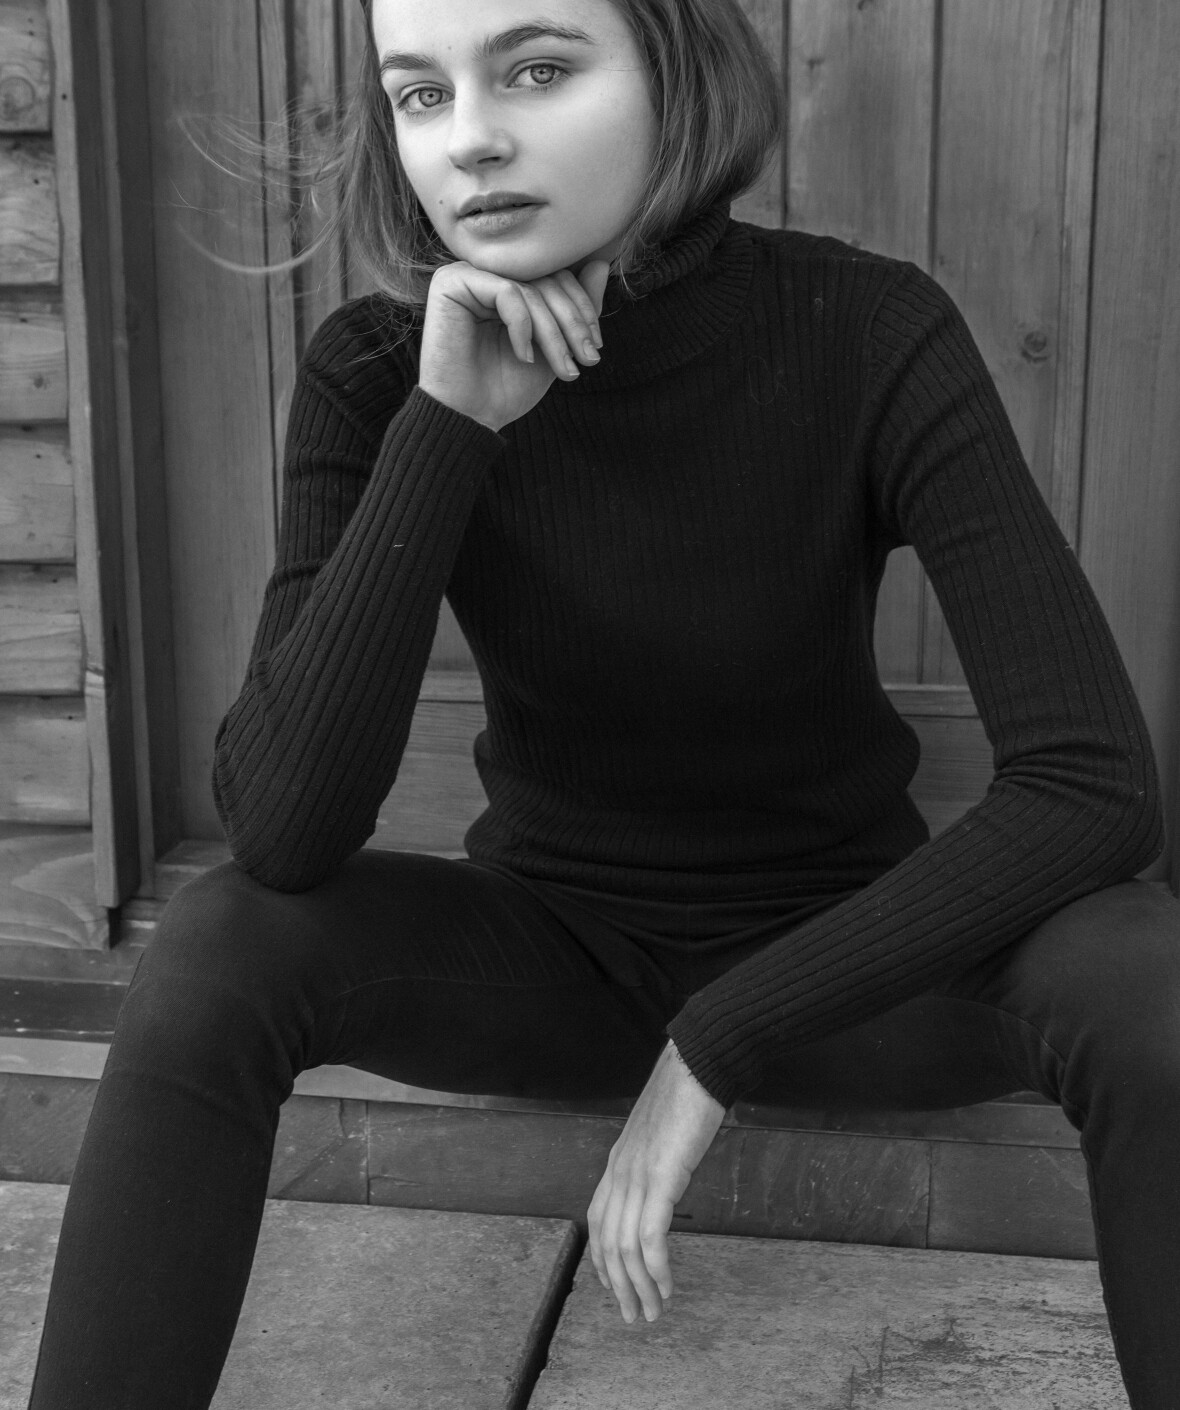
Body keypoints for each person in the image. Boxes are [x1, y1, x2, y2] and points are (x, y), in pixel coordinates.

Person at [26, 0, 1180, 1405]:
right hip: (553, 962)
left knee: (1145, 966)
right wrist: (447, 427)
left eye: (537, 68)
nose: (472, 140)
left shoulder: (867, 329)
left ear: (675, 75)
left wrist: (720, 1039)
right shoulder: (377, 370)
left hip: (849, 972)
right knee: (220, 941)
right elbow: (281, 828)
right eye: (420, 93)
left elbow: (1092, 786)